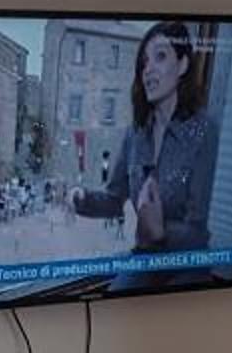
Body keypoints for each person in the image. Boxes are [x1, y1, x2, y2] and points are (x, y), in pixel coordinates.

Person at [71, 20, 218, 255]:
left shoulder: (204, 131)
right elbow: (114, 200)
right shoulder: (135, 133)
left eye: (160, 56)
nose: (148, 69)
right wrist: (81, 199)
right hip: (144, 257)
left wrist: (160, 233)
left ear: (182, 64)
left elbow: (197, 233)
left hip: (183, 266)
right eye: (144, 62)